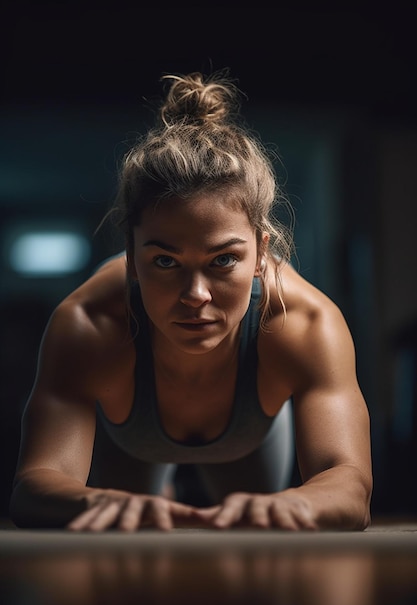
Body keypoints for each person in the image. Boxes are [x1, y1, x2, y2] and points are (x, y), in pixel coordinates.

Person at [9, 70, 373, 532]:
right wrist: (93, 502)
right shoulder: (88, 323)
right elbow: (36, 483)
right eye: (165, 262)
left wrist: (303, 504)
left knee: (262, 525)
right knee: (125, 531)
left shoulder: (304, 322)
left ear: (262, 253)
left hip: (249, 440)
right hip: (130, 443)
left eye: (223, 260)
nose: (195, 295)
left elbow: (349, 485)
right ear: (131, 254)